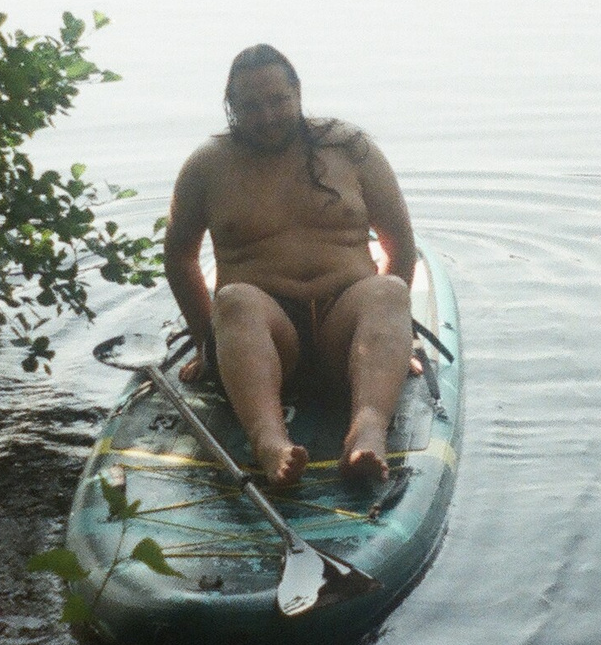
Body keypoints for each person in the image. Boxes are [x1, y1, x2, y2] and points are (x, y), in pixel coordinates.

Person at [165, 45, 417, 489]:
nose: (266, 117)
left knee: (389, 291)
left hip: (345, 330)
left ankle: (368, 431)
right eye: (250, 107)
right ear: (231, 108)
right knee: (235, 299)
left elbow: (400, 242)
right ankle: (269, 442)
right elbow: (180, 256)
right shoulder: (207, 167)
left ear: (298, 94)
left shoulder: (350, 149)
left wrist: (395, 339)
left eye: (278, 100)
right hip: (265, 337)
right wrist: (208, 341)